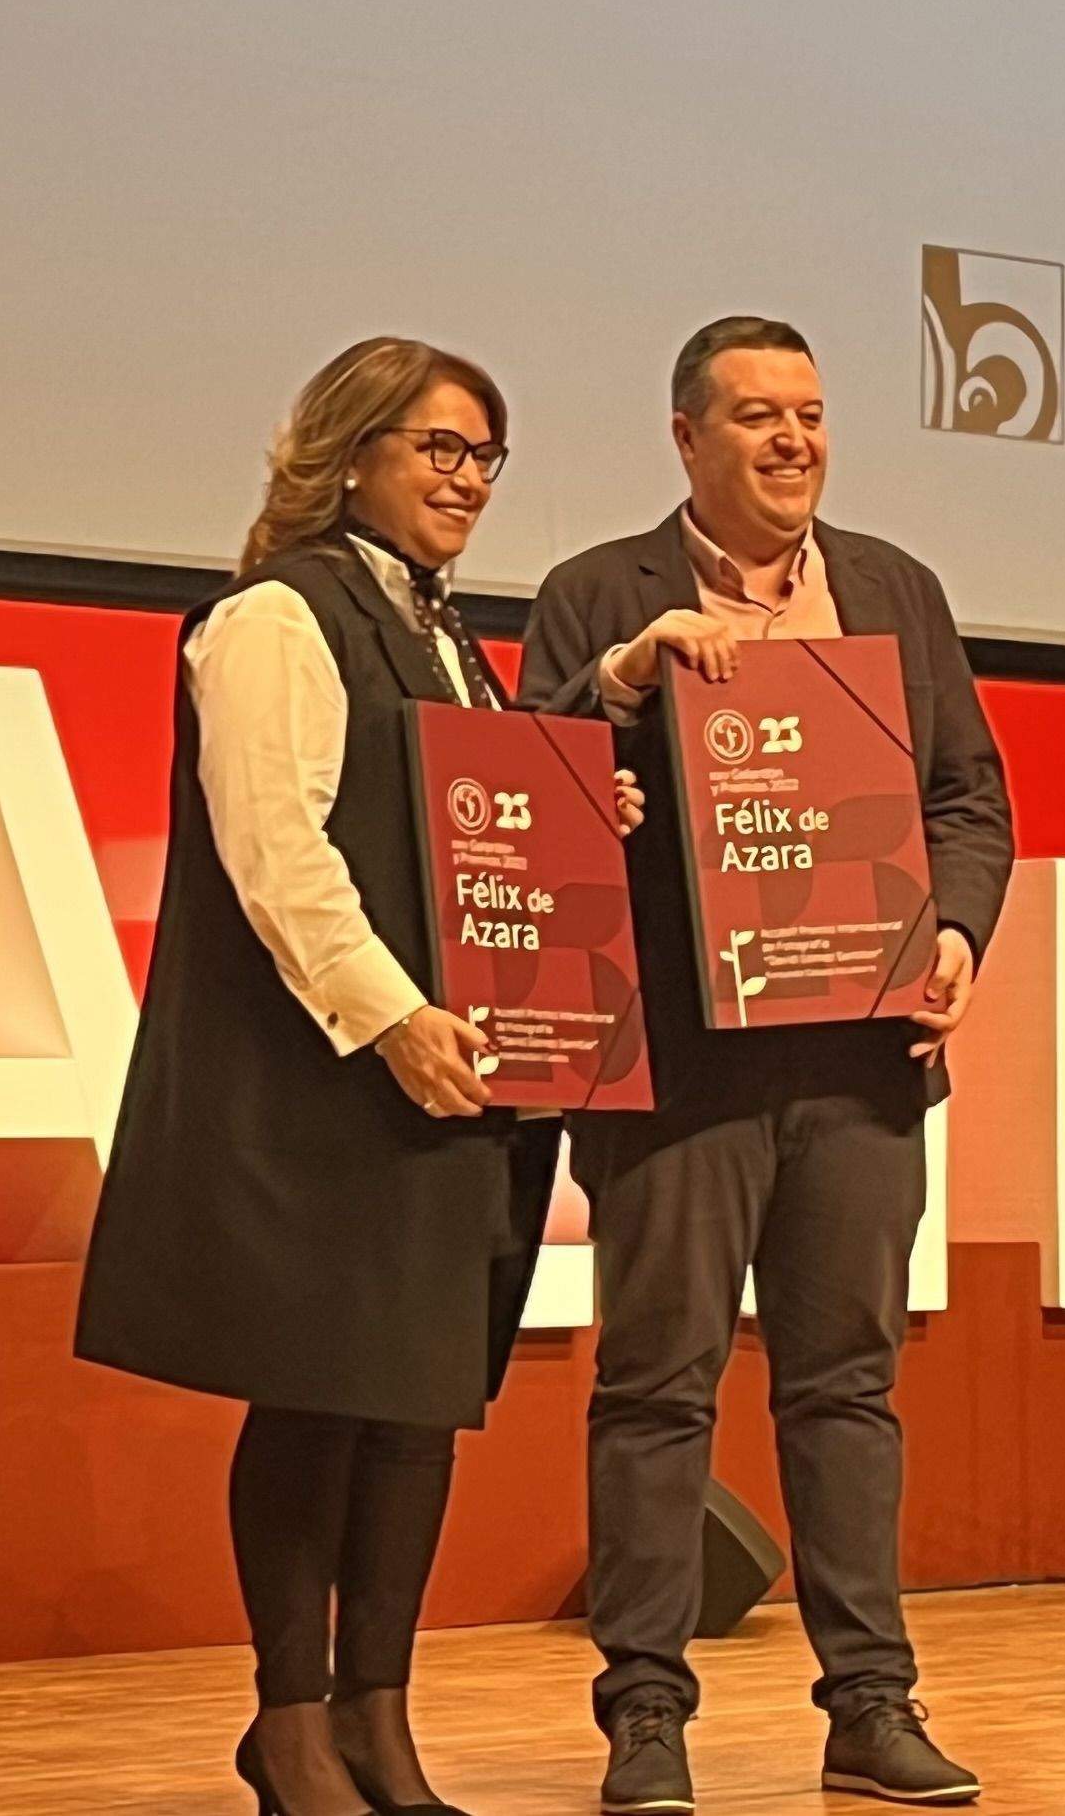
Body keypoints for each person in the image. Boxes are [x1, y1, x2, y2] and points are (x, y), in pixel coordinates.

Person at [78, 336, 640, 1816]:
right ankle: (290, 1724)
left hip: (456, 1089)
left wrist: (588, 812)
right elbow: (276, 850)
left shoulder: (449, 636)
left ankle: (378, 1720)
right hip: (333, 1084)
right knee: (317, 1402)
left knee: (413, 1408)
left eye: (485, 455)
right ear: (348, 455)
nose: (469, 480)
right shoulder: (275, 617)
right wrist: (393, 1018)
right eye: (439, 449)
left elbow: (469, 832)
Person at [521, 317, 1013, 1813]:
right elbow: (527, 792)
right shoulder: (598, 594)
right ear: (687, 438)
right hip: (678, 1071)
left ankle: (871, 1706)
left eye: (809, 412)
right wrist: (619, 685)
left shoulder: (895, 590)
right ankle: (645, 1716)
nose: (793, 440)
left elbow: (968, 799)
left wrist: (957, 934)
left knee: (847, 1391)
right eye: (756, 416)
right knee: (656, 1391)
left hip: (861, 1065)